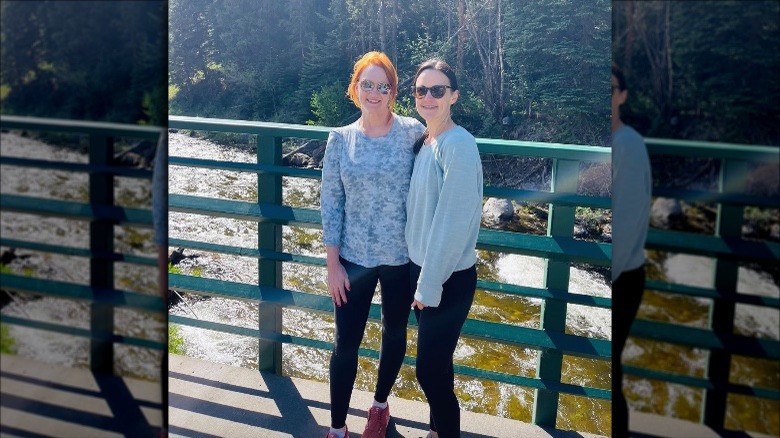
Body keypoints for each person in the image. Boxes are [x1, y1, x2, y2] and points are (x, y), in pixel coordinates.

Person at [320, 51, 426, 438]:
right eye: (368, 84)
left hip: (401, 260)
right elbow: (331, 203)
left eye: (383, 85)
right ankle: (336, 428)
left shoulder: (414, 133)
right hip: (353, 261)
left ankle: (379, 406)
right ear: (355, 89)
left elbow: (440, 169)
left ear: (393, 91)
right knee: (345, 345)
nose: (375, 92)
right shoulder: (340, 139)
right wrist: (333, 265)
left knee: (395, 333)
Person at [405, 59, 483, 438]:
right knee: (440, 366)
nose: (429, 97)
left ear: (453, 96)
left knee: (428, 371)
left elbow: (452, 223)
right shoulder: (427, 141)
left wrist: (427, 285)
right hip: (423, 272)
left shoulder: (459, 145)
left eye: (438, 90)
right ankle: (437, 432)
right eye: (422, 90)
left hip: (445, 279)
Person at [610, 63, 652, 438]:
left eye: (611, 89)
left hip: (624, 277)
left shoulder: (629, 145)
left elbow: (630, 222)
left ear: (622, 95)